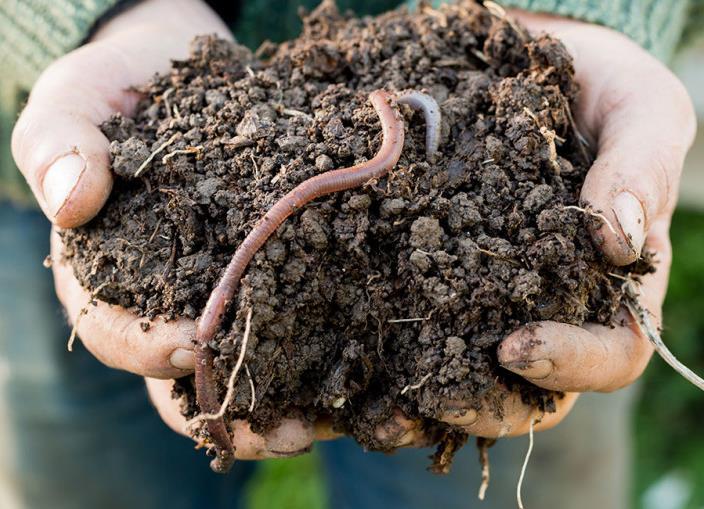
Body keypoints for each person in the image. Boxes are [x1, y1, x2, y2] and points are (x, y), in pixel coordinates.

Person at [0, 0, 699, 507]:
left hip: (491, 274)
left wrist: (585, 15)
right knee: (93, 478)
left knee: (506, 380)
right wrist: (92, 14)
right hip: (111, 194)